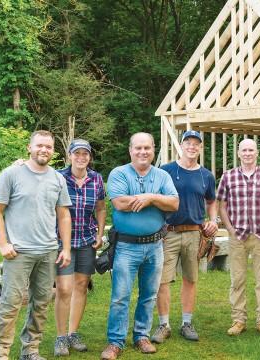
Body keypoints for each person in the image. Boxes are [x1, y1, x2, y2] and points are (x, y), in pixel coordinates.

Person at [0, 130, 72, 360]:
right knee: (10, 305)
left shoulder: (57, 178)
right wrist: (3, 243)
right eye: (39, 145)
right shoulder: (11, 174)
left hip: (47, 252)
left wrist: (65, 248)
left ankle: (30, 351)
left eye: (48, 146)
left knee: (41, 304)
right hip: (18, 253)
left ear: (53, 151)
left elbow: (63, 215)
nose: (43, 150)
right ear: (29, 147)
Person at [100, 133, 179, 360]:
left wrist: (150, 197)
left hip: (155, 245)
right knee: (120, 296)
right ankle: (115, 342)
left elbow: (174, 203)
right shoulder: (119, 173)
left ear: (153, 149)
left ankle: (141, 336)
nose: (142, 152)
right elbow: (120, 203)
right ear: (130, 150)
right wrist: (156, 200)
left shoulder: (162, 175)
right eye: (138, 148)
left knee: (149, 295)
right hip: (126, 246)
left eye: (147, 148)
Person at [151, 130, 217, 343]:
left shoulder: (206, 175)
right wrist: (157, 227)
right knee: (163, 281)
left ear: (200, 147)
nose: (192, 146)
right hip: (168, 233)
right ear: (181, 145)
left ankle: (186, 323)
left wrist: (213, 221)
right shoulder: (166, 170)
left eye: (196, 143)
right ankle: (164, 325)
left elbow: (211, 201)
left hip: (194, 233)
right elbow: (156, 199)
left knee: (190, 279)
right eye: (188, 142)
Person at [217, 138, 260, 337]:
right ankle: (238, 320)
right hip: (238, 236)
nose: (247, 153)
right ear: (238, 153)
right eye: (244, 150)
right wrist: (229, 228)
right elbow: (222, 205)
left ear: (257, 153)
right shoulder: (228, 177)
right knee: (237, 279)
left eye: (251, 150)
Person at [53, 139, 107, 356]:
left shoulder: (96, 179)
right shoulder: (57, 177)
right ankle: (60, 337)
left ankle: (73, 332)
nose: (81, 157)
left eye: (85, 154)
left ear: (89, 157)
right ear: (69, 156)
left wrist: (100, 234)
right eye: (77, 153)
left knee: (81, 285)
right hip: (60, 241)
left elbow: (101, 208)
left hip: (86, 239)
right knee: (64, 288)